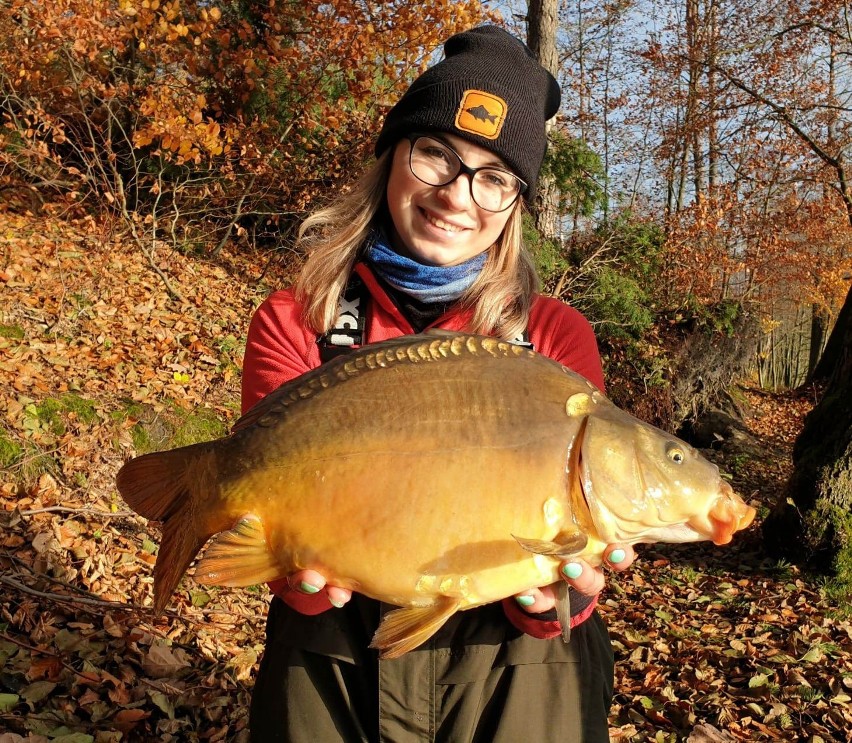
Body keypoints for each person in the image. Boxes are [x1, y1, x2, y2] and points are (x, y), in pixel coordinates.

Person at [241, 25, 636, 743]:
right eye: (436, 156)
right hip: (334, 656)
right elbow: (268, 521)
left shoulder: (556, 338)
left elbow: (564, 590)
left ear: (516, 201)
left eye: (494, 176)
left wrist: (560, 594)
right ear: (393, 153)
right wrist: (289, 570)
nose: (458, 196)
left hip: (512, 675)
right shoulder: (295, 318)